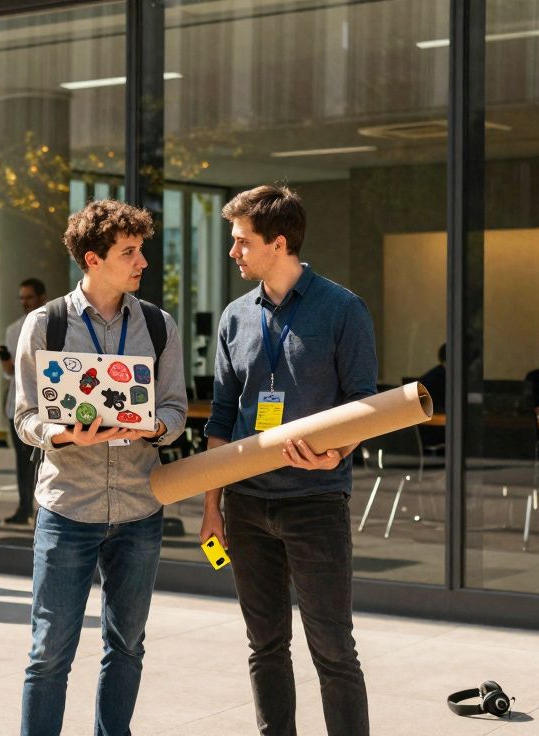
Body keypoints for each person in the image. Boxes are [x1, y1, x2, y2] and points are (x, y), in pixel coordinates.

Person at [201, 185, 377, 735]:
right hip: (247, 505)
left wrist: (335, 457)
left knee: (332, 649)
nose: (233, 252)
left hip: (316, 503)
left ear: (278, 244)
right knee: (265, 646)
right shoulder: (235, 318)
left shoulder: (343, 309)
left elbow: (365, 408)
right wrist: (213, 509)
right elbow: (222, 419)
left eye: (241, 241)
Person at [14, 200, 185, 736]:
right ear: (93, 259)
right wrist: (59, 434)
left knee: (127, 645)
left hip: (139, 508)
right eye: (128, 252)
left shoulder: (159, 326)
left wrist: (154, 428)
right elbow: (23, 416)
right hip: (67, 509)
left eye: (141, 250)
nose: (142, 263)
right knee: (49, 654)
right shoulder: (46, 324)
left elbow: (177, 408)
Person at [1, 277, 47, 525]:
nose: (24, 302)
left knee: (45, 461)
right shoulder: (13, 329)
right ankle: (23, 507)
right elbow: (10, 373)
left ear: (41, 297)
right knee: (22, 462)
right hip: (18, 405)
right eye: (21, 298)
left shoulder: (55, 324)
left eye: (29, 297)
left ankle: (42, 510)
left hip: (47, 407)